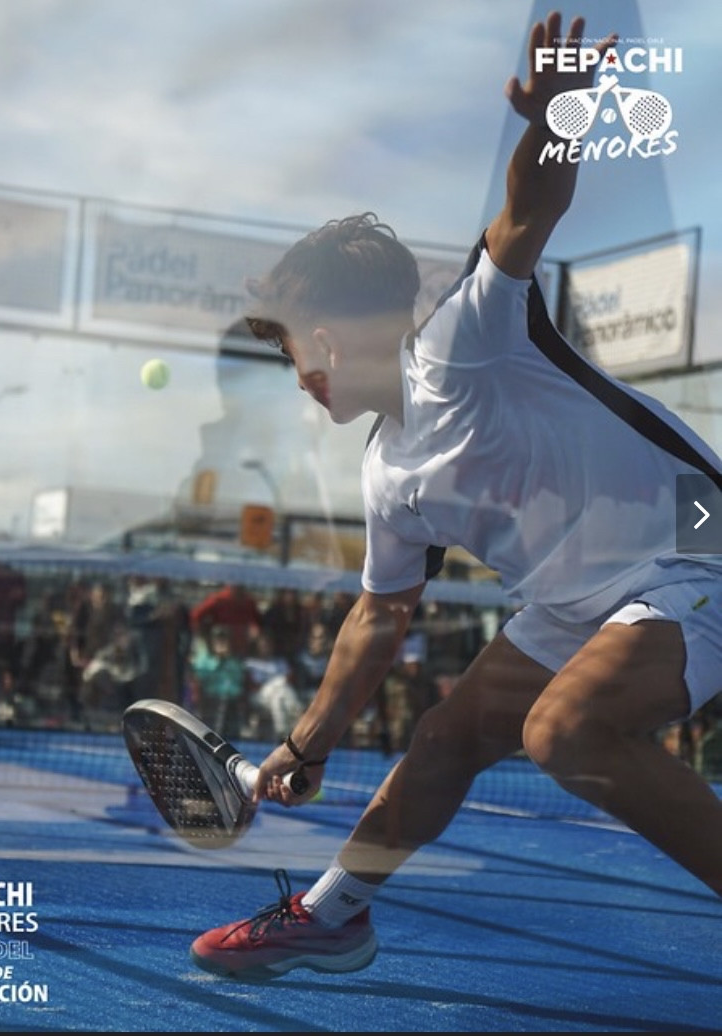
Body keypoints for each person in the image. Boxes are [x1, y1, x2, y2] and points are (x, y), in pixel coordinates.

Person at [190, 12, 722, 982]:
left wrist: (554, 121)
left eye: (294, 350)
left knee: (563, 730)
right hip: (579, 606)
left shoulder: (460, 347)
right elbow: (378, 616)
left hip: (699, 550)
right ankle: (330, 917)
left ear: (331, 337)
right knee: (445, 736)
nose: (299, 377)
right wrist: (307, 744)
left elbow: (525, 214)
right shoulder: (387, 474)